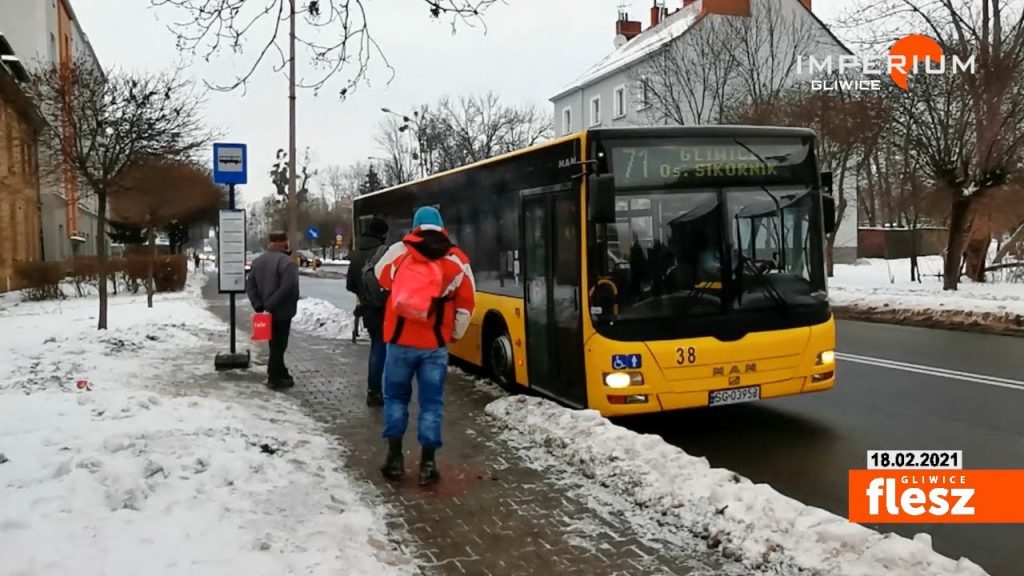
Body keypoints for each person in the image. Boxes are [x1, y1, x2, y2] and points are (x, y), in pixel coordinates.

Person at [373, 206, 475, 486]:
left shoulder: (399, 252)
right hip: (434, 346)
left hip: (399, 342)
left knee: (395, 399)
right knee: (431, 404)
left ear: (415, 226)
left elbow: (380, 278)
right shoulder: (456, 259)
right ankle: (428, 465)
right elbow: (467, 305)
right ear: (441, 226)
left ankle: (394, 459)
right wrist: (450, 335)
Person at [245, 231, 300, 389]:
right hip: (283, 311)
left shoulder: (258, 261)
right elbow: (288, 287)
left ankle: (281, 371)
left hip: (267, 312)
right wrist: (271, 304)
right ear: (284, 243)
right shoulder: (287, 263)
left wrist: (259, 304)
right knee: (280, 344)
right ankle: (275, 376)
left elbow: (251, 286)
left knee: (273, 343)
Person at [345, 216, 390, 406]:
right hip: (386, 307)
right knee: (388, 349)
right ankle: (385, 390)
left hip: (368, 309)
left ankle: (374, 390)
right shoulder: (384, 252)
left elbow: (350, 284)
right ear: (383, 234)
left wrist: (365, 295)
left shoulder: (355, 253)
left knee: (376, 347)